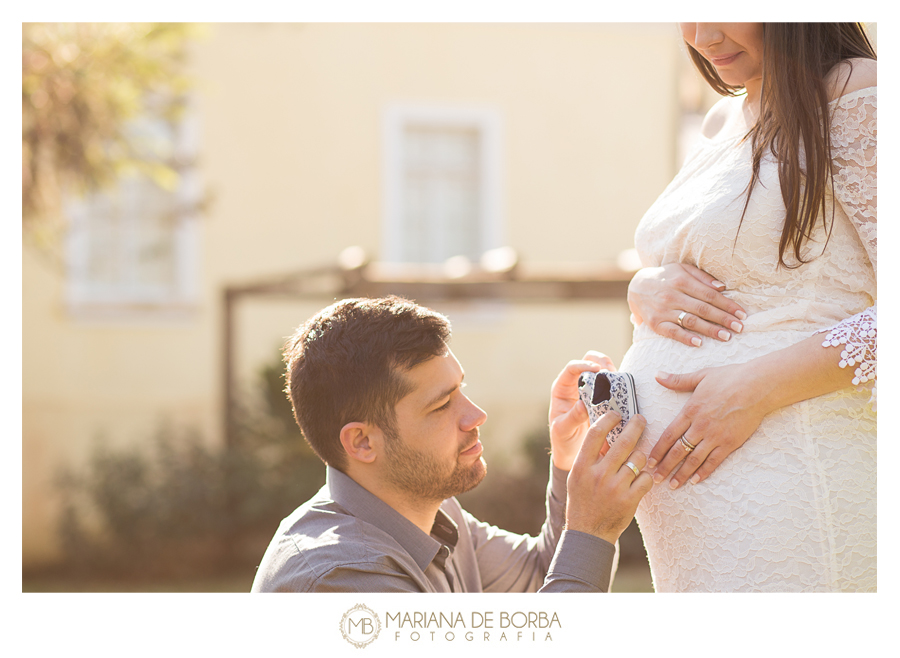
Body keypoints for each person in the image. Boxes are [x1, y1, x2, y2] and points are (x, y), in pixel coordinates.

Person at [616, 23, 876, 591]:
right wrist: (643, 287)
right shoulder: (722, 117)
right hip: (693, 521)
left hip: (797, 485)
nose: (704, 34)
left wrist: (757, 387)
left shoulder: (856, 92)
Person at [250, 296, 652, 593]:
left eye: (461, 389)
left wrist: (570, 457)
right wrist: (592, 529)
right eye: (442, 404)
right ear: (362, 442)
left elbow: (541, 576)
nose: (475, 415)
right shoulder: (341, 579)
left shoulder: (435, 515)